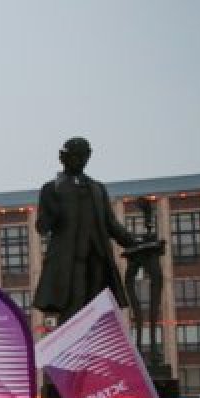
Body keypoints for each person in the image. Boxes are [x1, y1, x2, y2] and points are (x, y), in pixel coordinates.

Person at [32, 136, 140, 323]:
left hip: (97, 259)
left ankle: (91, 348)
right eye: (76, 156)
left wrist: (132, 242)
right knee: (73, 311)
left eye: (84, 156)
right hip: (69, 263)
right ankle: (71, 348)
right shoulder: (52, 189)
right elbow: (42, 227)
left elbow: (110, 222)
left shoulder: (97, 188)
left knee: (98, 311)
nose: (81, 161)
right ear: (63, 157)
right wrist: (53, 210)